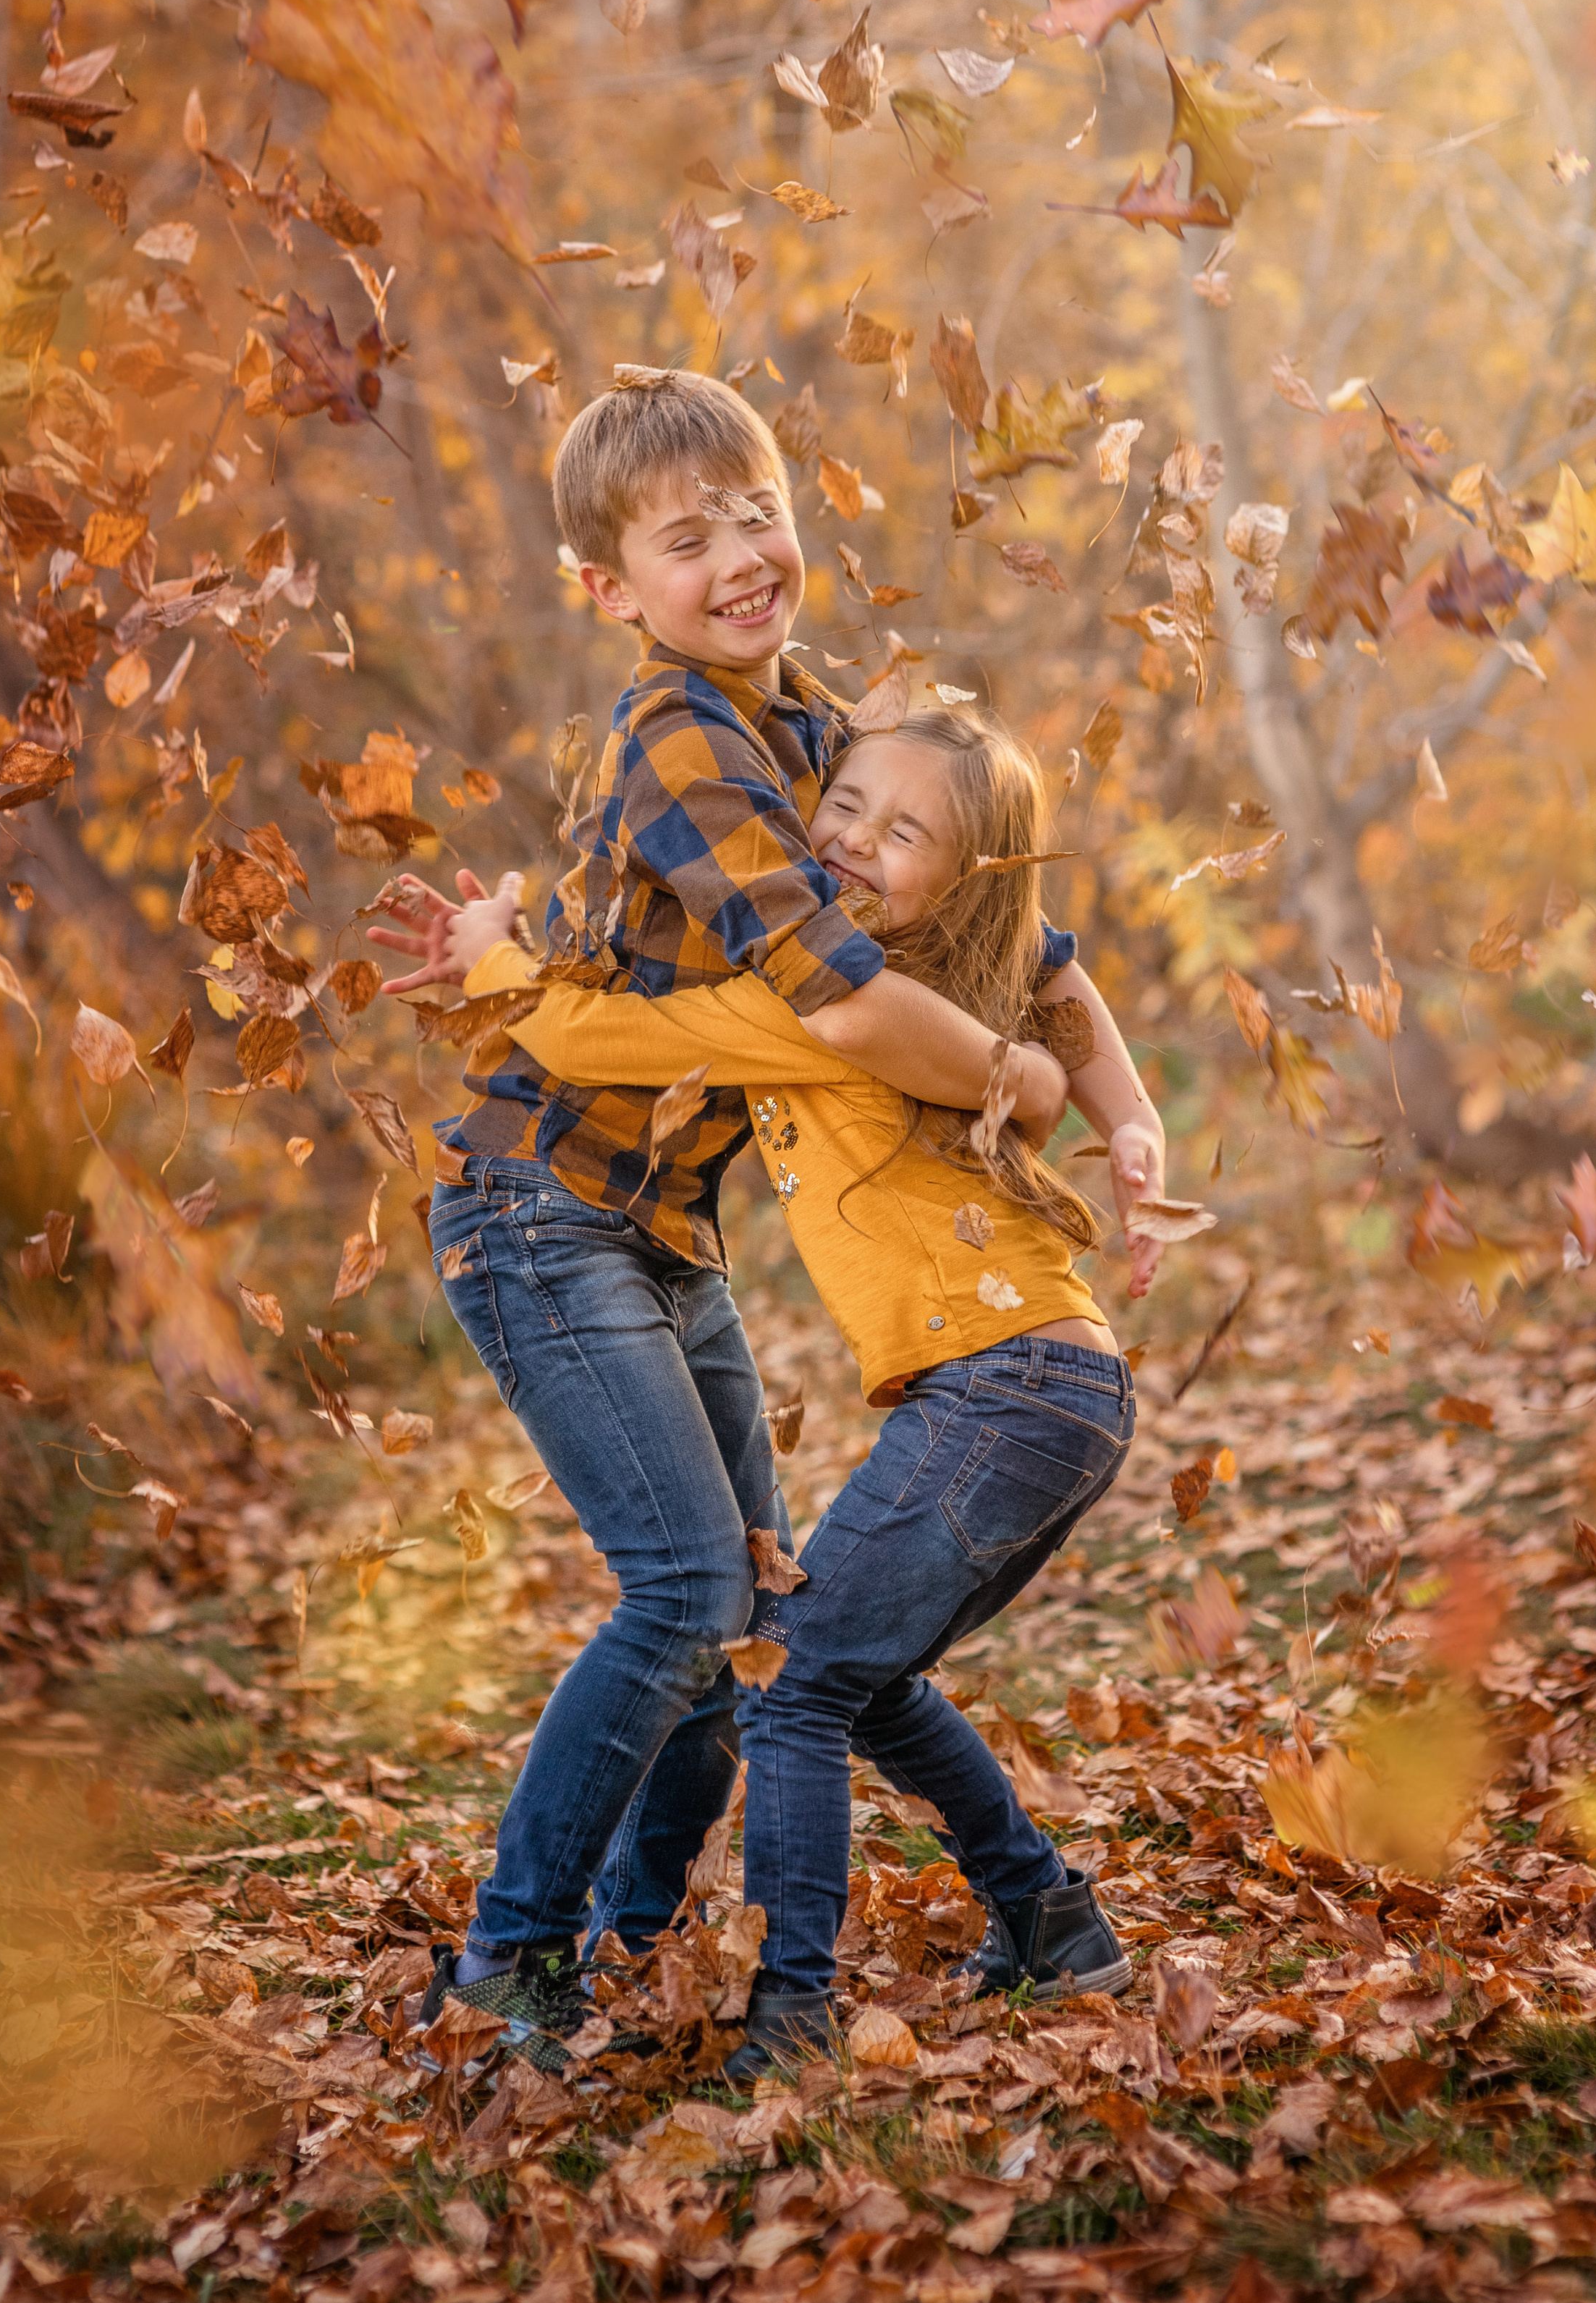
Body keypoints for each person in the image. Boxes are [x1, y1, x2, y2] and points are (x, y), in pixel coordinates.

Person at [368, 373, 1095, 2068]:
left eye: (754, 510)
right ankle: (508, 1964)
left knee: (751, 1611)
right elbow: (840, 996)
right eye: (682, 540)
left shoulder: (811, 730)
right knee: (691, 1592)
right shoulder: (675, 727)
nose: (739, 556)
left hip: (657, 1232)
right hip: (538, 1205)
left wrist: (1099, 1094)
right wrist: (1008, 1076)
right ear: (611, 591)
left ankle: (625, 1940)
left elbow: (1000, 927)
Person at [444, 706, 1168, 2079]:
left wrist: (499, 966)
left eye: (906, 836)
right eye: (845, 807)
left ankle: (791, 2018)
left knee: (788, 1682)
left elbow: (604, 1045)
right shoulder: (967, 980)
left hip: (1004, 1383)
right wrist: (1127, 1113)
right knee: (863, 1676)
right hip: (1062, 1388)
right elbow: (1064, 982)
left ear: (964, 885)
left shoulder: (827, 1004)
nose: (850, 842)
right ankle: (1046, 1917)